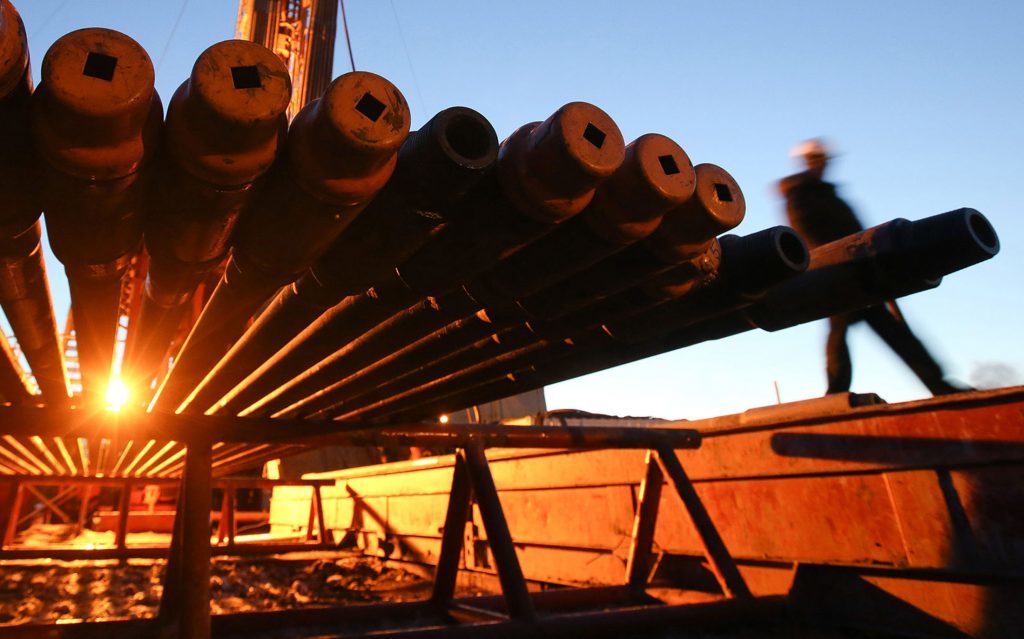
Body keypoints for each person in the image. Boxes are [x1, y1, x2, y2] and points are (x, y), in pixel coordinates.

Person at [780, 139, 968, 396]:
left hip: (862, 269)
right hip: (838, 273)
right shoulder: (801, 194)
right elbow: (808, 232)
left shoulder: (827, 193)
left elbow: (857, 230)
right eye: (818, 160)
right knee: (843, 330)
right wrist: (839, 260)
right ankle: (836, 393)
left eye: (824, 160)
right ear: (809, 161)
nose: (823, 164)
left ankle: (938, 385)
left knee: (888, 332)